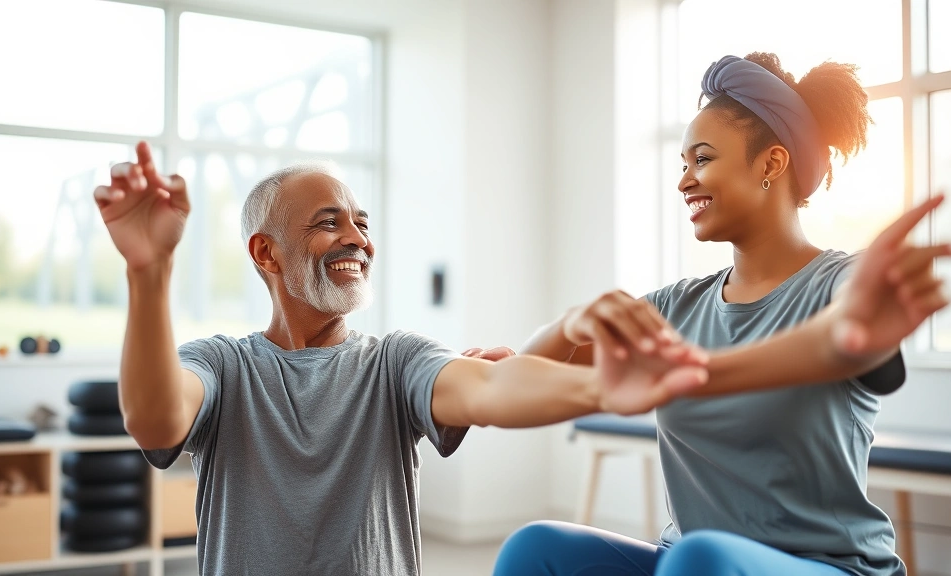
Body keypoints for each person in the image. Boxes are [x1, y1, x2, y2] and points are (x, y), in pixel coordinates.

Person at [92, 145, 711, 575]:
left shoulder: (395, 361)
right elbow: (155, 419)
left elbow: (489, 391)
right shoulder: (223, 365)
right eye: (327, 223)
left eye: (362, 223)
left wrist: (600, 386)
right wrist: (149, 274)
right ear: (267, 254)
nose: (357, 238)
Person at [492, 53, 951, 576]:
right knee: (535, 548)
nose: (684, 181)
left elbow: (848, 331)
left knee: (699, 559)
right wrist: (568, 324)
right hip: (687, 561)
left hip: (824, 567)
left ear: (771, 164)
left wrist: (851, 330)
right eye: (683, 164)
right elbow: (515, 385)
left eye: (703, 159)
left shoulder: (840, 283)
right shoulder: (675, 306)